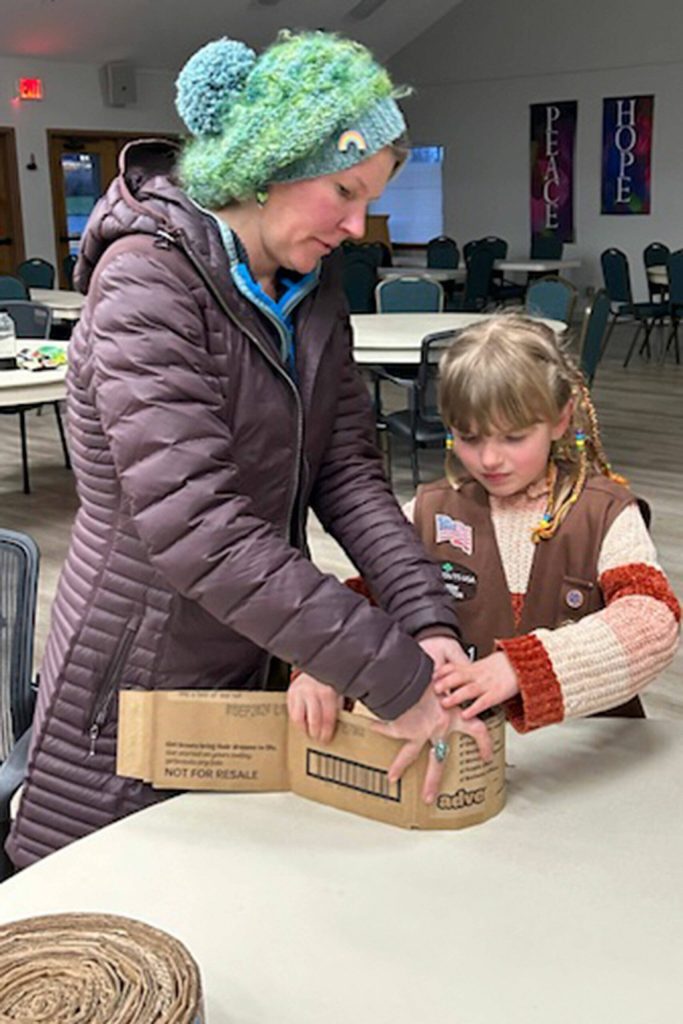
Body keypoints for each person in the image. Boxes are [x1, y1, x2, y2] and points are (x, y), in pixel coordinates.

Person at [7, 30, 486, 870]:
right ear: (267, 167)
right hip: (136, 665)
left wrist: (426, 621)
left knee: (222, 893)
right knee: (103, 904)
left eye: (365, 199)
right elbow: (198, 529)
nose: (354, 224)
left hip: (259, 640)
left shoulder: (311, 292)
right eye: (342, 191)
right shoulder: (145, 283)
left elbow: (349, 475)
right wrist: (395, 679)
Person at [291, 313, 679, 749]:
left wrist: (522, 668)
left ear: (561, 417)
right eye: (470, 437)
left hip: (590, 751)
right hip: (462, 750)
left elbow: (653, 621)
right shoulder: (427, 511)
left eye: (513, 437)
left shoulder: (605, 513)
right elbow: (363, 601)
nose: (490, 459)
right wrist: (321, 665)